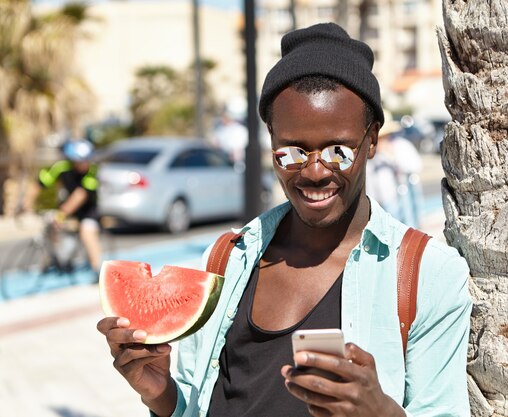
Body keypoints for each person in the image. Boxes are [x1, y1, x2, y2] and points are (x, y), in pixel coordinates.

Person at [97, 23, 471, 417]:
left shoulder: (425, 274)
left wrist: (379, 411)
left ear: (373, 139)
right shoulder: (228, 258)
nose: (313, 172)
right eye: (291, 152)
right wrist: (161, 394)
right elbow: (196, 403)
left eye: (338, 151)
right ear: (271, 140)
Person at [24, 139, 102, 275]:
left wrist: (62, 214)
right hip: (66, 206)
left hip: (88, 210)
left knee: (87, 232)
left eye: (86, 160)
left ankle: (98, 269)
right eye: (80, 161)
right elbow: (39, 183)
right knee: (49, 226)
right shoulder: (61, 167)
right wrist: (27, 203)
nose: (84, 164)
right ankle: (57, 258)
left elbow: (80, 196)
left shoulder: (92, 170)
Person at [367, 111, 424, 228]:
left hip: (403, 199)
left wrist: (391, 157)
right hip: (382, 203)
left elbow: (415, 166)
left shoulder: (401, 146)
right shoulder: (371, 154)